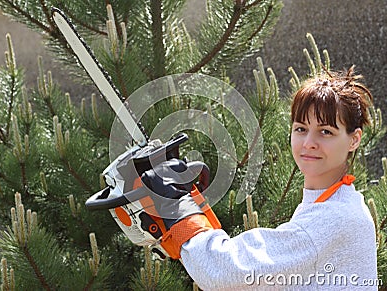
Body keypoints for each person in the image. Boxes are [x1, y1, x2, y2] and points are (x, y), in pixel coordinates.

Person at [141, 67, 378, 290]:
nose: (308, 144)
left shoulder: (334, 218)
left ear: (354, 139)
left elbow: (225, 274)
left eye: (326, 132)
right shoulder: (336, 202)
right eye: (301, 129)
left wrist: (180, 213)